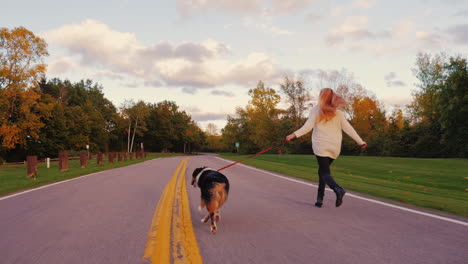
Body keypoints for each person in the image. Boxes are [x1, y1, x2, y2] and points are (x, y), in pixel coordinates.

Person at [286, 88, 367, 208]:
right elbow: (348, 128)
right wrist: (360, 141)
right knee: (322, 171)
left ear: (322, 98)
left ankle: (338, 189)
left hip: (321, 146)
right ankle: (319, 200)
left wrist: (293, 135)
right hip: (334, 148)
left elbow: (308, 127)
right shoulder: (338, 113)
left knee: (324, 173)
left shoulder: (317, 110)